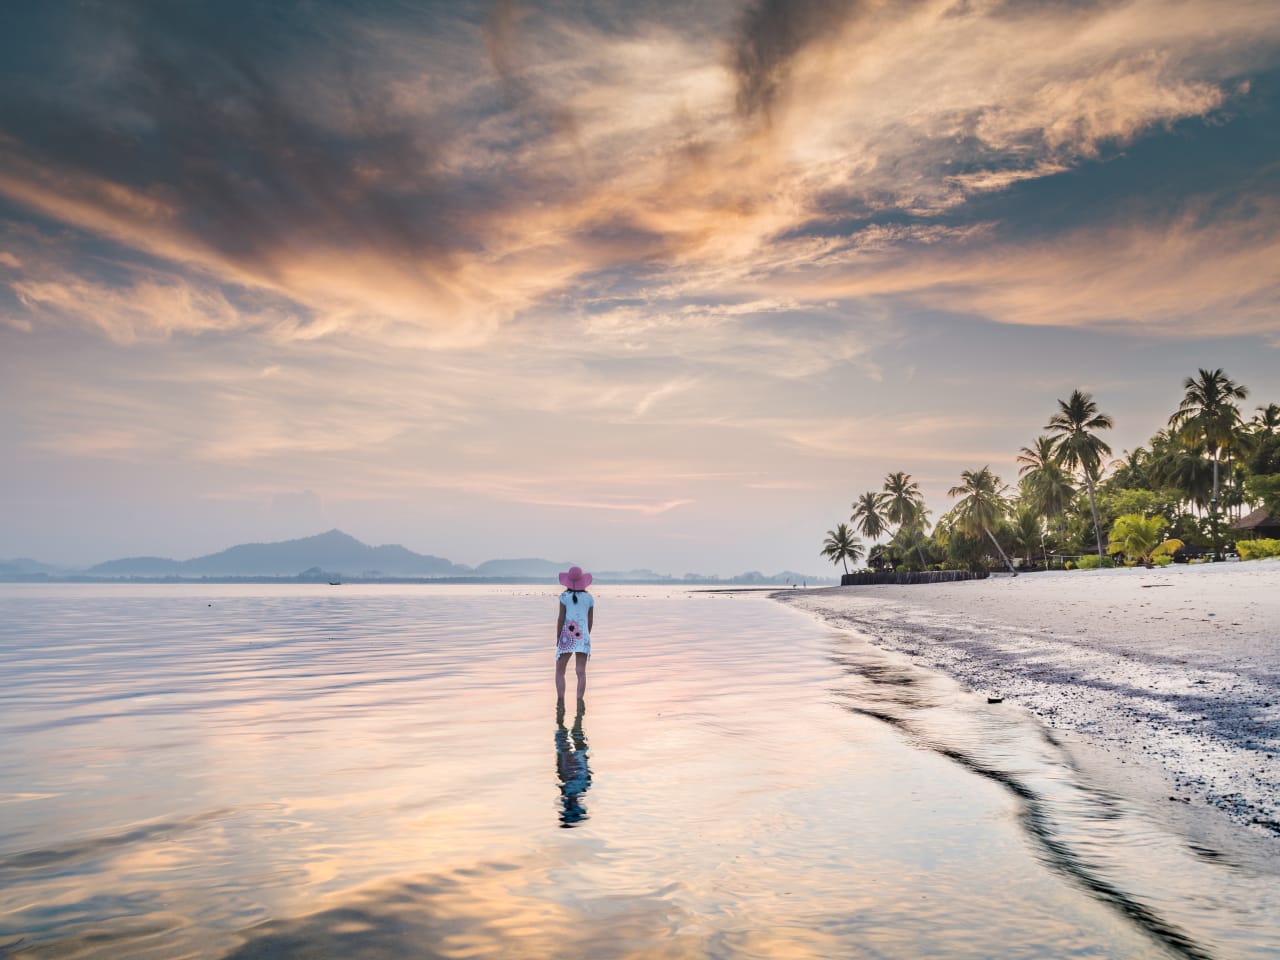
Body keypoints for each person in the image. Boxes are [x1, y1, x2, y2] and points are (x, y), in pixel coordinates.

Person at [555, 565, 594, 706]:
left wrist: (558, 637)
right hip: (583, 636)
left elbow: (561, 619)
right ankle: (579, 701)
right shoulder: (589, 598)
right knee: (581, 672)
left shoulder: (564, 597)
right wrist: (585, 637)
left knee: (560, 671)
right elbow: (590, 621)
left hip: (567, 636)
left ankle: (560, 702)